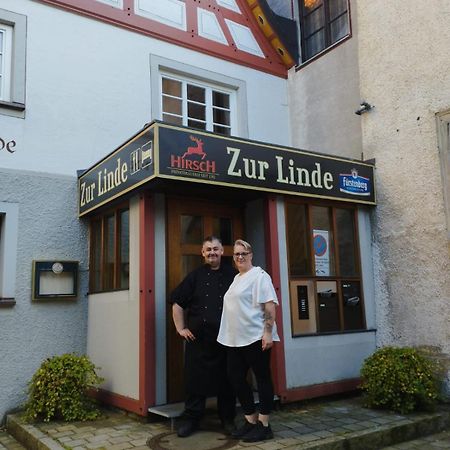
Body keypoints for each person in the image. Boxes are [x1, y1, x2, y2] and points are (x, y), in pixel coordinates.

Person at [170, 236, 237, 438]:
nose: (212, 253)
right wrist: (181, 328)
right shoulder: (195, 276)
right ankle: (192, 420)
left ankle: (228, 419)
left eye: (215, 249)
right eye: (208, 249)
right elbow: (177, 302)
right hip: (198, 341)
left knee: (227, 381)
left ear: (222, 251)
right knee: (194, 382)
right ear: (202, 253)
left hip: (226, 339)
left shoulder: (233, 276)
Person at [217, 239, 279, 443]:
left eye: (244, 253)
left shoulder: (260, 276)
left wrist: (268, 333)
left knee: (262, 379)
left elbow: (270, 307)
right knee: (234, 377)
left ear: (251, 255)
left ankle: (264, 425)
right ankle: (251, 420)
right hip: (235, 339)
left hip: (255, 337)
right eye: (236, 254)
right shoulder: (237, 278)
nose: (240, 257)